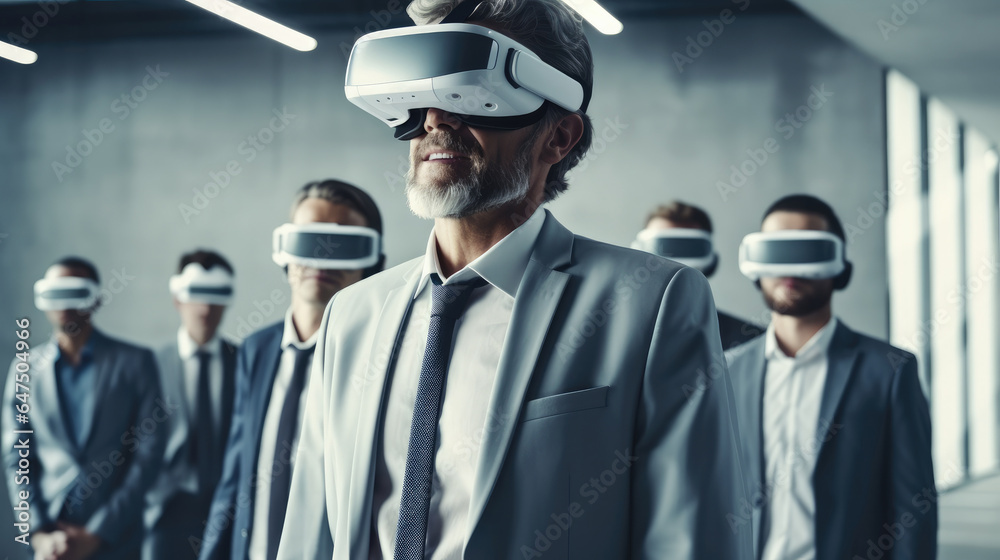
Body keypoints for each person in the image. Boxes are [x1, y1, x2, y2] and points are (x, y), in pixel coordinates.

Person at [278, 1, 751, 558]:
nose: (436, 119)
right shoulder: (351, 315)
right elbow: (311, 534)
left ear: (559, 137)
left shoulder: (650, 304)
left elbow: (690, 542)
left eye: (471, 94)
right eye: (424, 94)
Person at [726, 194, 937, 559]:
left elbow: (912, 509)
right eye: (777, 253)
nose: (789, 271)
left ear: (841, 268)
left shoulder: (890, 372)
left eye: (807, 252)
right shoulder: (727, 370)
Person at [199, 180, 384, 560]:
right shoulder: (256, 350)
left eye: (341, 245)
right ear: (284, 252)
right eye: (307, 241)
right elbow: (235, 473)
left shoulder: (387, 356)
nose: (320, 258)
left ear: (372, 261)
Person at [3, 257, 166, 560]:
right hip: (48, 540)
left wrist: (98, 533)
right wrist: (38, 533)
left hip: (117, 540)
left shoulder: (135, 363)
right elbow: (17, 457)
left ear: (97, 299)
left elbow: (149, 454)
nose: (64, 303)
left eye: (74, 292)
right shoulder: (24, 369)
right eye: (56, 293)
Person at [144, 250, 239, 560]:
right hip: (166, 508)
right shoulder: (150, 366)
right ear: (177, 297)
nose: (205, 306)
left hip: (228, 510)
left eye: (216, 294)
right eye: (197, 292)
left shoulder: (244, 362)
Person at [635, 201, 764, 349]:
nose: (673, 266)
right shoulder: (611, 334)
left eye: (687, 250)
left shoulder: (751, 342)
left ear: (711, 262)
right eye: (661, 248)